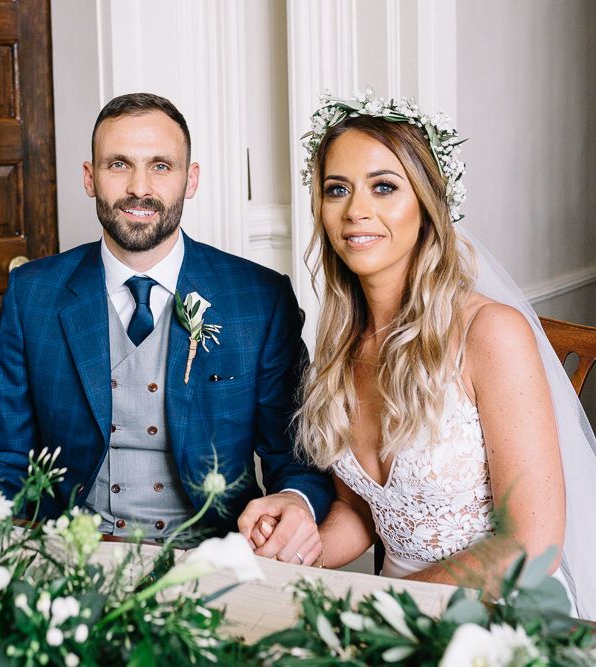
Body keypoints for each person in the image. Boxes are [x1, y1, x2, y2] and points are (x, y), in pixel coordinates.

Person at [254, 90, 596, 619]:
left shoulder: (490, 334)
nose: (356, 211)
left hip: (501, 611)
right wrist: (299, 545)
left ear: (427, 206)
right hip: (393, 612)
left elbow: (531, 545)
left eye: (384, 187)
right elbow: (361, 512)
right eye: (336, 189)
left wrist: (395, 605)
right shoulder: (341, 344)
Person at [0, 93, 332, 553]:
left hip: (213, 560)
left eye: (161, 166)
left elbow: (298, 463)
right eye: (118, 165)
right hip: (70, 558)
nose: (139, 187)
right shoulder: (33, 294)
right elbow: (1, 457)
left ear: (190, 179)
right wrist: (2, 554)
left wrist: (294, 502)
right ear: (89, 177)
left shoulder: (259, 299)